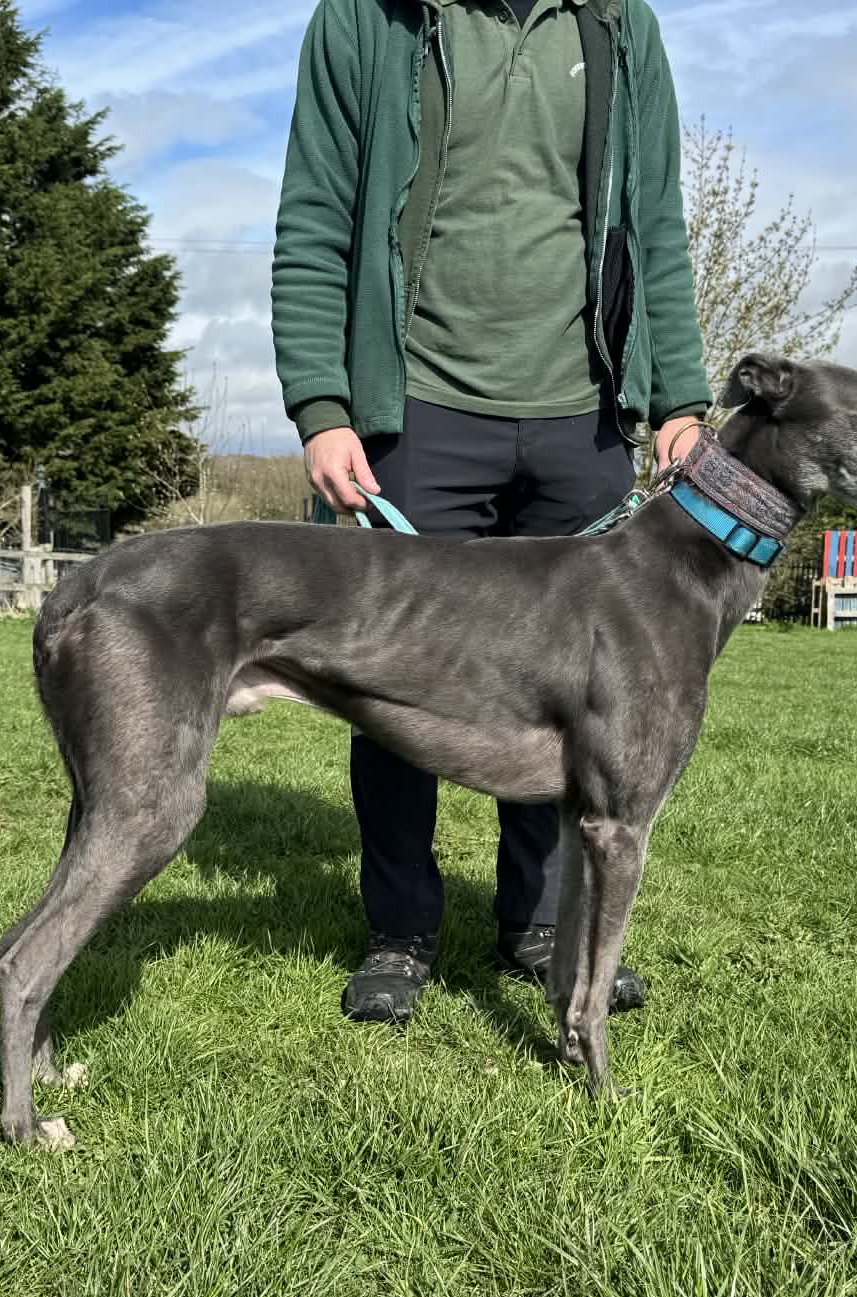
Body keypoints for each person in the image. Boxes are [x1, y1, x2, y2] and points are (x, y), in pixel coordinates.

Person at [272, 0, 713, 1022]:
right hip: (413, 409)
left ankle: (539, 923)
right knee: (391, 677)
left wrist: (679, 399)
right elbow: (314, 213)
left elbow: (655, 220)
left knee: (578, 693)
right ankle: (399, 931)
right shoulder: (366, 19)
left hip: (581, 414)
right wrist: (322, 406)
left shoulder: (617, 24)